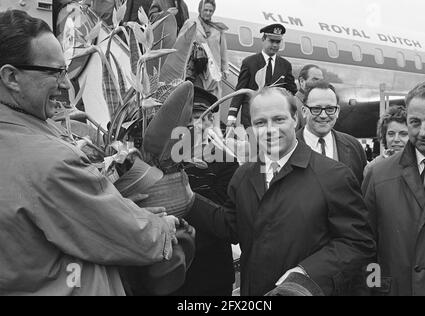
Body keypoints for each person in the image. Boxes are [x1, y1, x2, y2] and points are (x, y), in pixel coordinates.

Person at [0, 10, 183, 296]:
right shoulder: (49, 161)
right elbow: (131, 237)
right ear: (11, 77)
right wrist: (164, 228)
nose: (65, 84)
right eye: (55, 72)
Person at [189, 87, 376, 296]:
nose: (270, 130)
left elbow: (358, 243)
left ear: (295, 119)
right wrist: (189, 200)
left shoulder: (334, 176)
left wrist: (306, 274)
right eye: (261, 123)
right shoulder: (243, 176)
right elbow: (230, 226)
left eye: (279, 119)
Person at [363, 82, 425, 296]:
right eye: (414, 122)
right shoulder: (378, 175)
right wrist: (372, 291)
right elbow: (364, 248)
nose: (422, 132)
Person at [174, 86, 237, 296]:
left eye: (199, 118)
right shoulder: (162, 160)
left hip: (210, 274)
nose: (193, 125)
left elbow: (226, 222)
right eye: (187, 119)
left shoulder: (226, 162)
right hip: (168, 275)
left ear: (210, 121)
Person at [297, 80, 367, 186]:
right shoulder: (288, 148)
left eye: (330, 109)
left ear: (337, 111)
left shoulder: (354, 147)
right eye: (316, 109)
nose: (323, 115)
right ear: (303, 111)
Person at [227, 24, 297, 129]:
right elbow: (240, 91)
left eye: (277, 42)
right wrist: (232, 117)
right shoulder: (249, 62)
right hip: (252, 118)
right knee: (253, 145)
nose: (274, 45)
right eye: (271, 41)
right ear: (263, 39)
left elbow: (292, 91)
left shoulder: (285, 65)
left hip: (275, 119)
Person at [184, 0, 229, 98]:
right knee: (194, 101)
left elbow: (223, 51)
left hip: (213, 72)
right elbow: (182, 45)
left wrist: (225, 69)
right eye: (205, 10)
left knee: (212, 102)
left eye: (211, 11)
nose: (208, 13)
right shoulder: (190, 23)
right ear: (200, 9)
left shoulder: (218, 29)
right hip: (196, 70)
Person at [363, 106, 408, 177]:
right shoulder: (372, 168)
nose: (396, 139)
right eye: (391, 134)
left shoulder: (421, 165)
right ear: (384, 136)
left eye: (403, 134)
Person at [295, 64, 324, 129]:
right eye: (315, 79)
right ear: (302, 81)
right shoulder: (294, 106)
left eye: (321, 80)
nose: (319, 83)